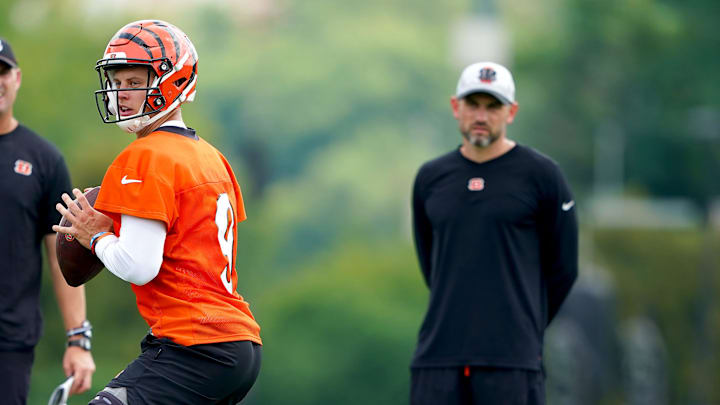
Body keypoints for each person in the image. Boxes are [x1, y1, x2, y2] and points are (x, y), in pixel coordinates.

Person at [52, 20, 262, 404]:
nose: (122, 93)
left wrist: (94, 236)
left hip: (195, 345)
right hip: (238, 346)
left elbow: (139, 264)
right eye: (117, 83)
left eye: (135, 82)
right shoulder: (211, 157)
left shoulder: (145, 155)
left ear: (174, 81)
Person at [409, 61, 578, 405]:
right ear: (456, 107)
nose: (481, 116)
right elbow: (432, 265)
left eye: (493, 106)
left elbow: (564, 269)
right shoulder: (431, 178)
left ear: (511, 112)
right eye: (473, 105)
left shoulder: (543, 176)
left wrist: (524, 326)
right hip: (439, 359)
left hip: (512, 362)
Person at [0, 37, 96, 404]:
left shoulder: (43, 160)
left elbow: (64, 254)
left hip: (8, 344)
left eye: (3, 71)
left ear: (17, 77)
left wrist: (78, 340)